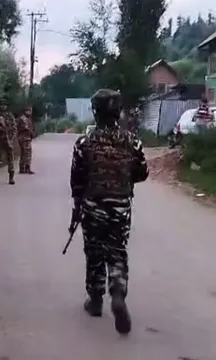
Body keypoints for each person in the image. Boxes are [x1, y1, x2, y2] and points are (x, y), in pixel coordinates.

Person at [69, 89, 149, 335]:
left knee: (94, 253)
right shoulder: (132, 141)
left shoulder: (84, 143)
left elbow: (77, 180)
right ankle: (117, 292)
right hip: (121, 206)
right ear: (118, 112)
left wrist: (77, 208)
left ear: (96, 111)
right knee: (117, 251)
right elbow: (142, 172)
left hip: (93, 206)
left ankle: (95, 301)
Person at [0, 98, 16, 184]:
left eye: (5, 105)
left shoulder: (10, 116)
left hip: (8, 140)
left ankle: (11, 178)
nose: (3, 106)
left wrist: (11, 138)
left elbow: (14, 127)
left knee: (10, 159)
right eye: (2, 105)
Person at [16, 106, 35, 174]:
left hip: (26, 138)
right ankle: (25, 168)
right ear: (25, 111)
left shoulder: (28, 118)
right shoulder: (23, 119)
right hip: (24, 138)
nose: (30, 112)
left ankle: (24, 168)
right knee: (26, 153)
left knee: (26, 153)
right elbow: (26, 128)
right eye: (29, 110)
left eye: (31, 110)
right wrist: (32, 133)